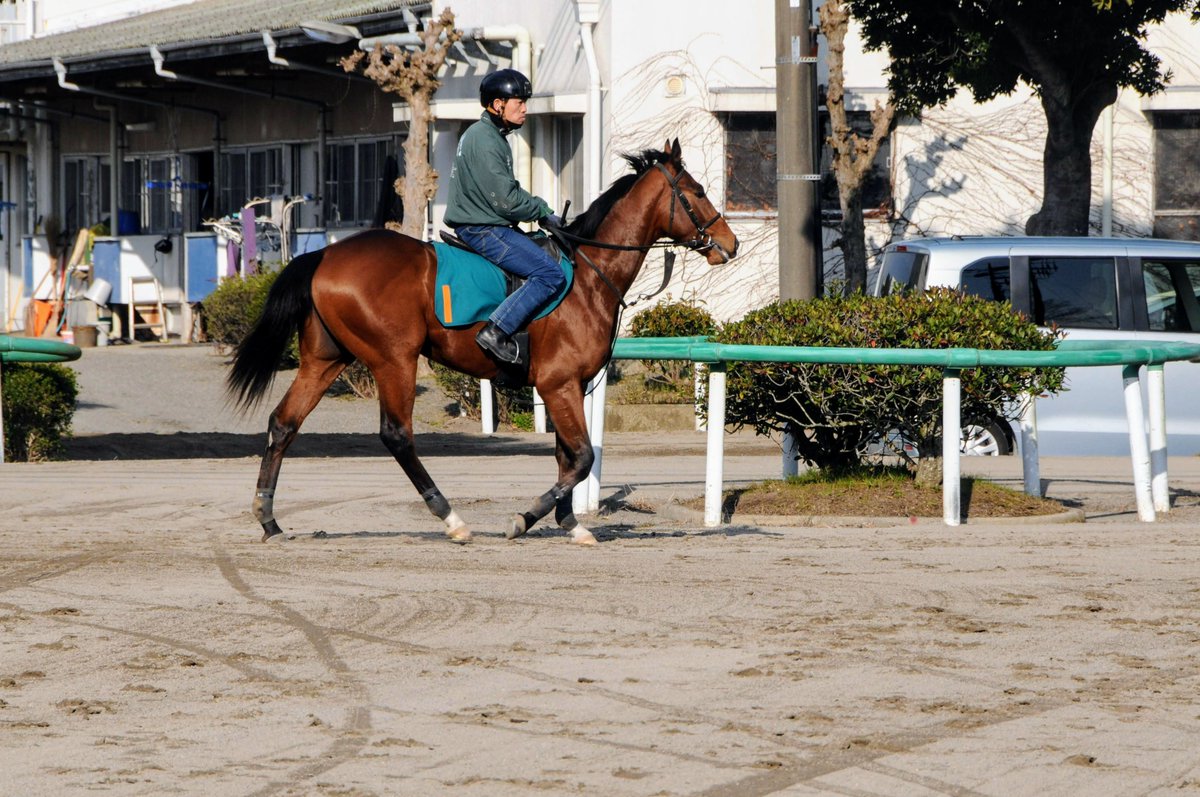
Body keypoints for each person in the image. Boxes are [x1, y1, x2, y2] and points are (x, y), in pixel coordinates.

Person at [444, 68, 564, 364]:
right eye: (518, 102)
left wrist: (538, 211)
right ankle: (497, 331)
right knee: (550, 273)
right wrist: (543, 211)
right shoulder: (485, 140)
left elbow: (507, 190)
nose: (524, 108)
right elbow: (506, 200)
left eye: (525, 102)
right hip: (484, 229)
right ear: (497, 105)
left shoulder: (490, 136)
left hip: (485, 224)